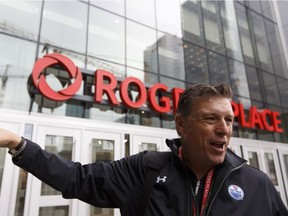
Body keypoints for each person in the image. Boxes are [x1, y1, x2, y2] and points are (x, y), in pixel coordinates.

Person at [0, 83, 287, 216]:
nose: (224, 129)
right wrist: (18, 143)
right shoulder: (146, 169)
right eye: (210, 118)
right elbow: (78, 179)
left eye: (228, 120)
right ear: (181, 125)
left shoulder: (258, 184)